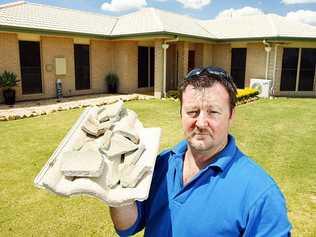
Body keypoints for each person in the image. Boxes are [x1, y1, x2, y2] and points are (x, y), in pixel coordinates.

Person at [110, 66, 292, 236]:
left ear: (231, 115)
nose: (201, 123)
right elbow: (128, 226)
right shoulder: (161, 164)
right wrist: (116, 194)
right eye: (193, 112)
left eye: (213, 112)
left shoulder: (261, 195)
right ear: (180, 113)